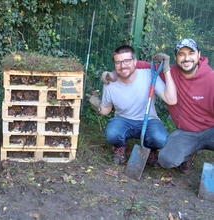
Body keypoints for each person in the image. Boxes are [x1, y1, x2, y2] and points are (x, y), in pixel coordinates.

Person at [130, 38, 214, 174]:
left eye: (191, 53)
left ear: (199, 55)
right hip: (186, 132)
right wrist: (113, 73)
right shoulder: (169, 71)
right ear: (175, 57)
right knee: (166, 160)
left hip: (211, 130)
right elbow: (138, 65)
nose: (187, 58)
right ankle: (188, 153)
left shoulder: (211, 79)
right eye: (181, 54)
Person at [87, 45, 177, 166]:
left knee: (159, 138)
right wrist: (97, 107)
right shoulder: (110, 83)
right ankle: (120, 146)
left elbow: (171, 100)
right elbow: (107, 109)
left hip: (149, 120)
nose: (123, 66)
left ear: (135, 61)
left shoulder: (149, 75)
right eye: (118, 62)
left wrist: (166, 70)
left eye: (127, 61)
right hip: (124, 120)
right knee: (112, 133)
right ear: (114, 65)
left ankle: (151, 150)